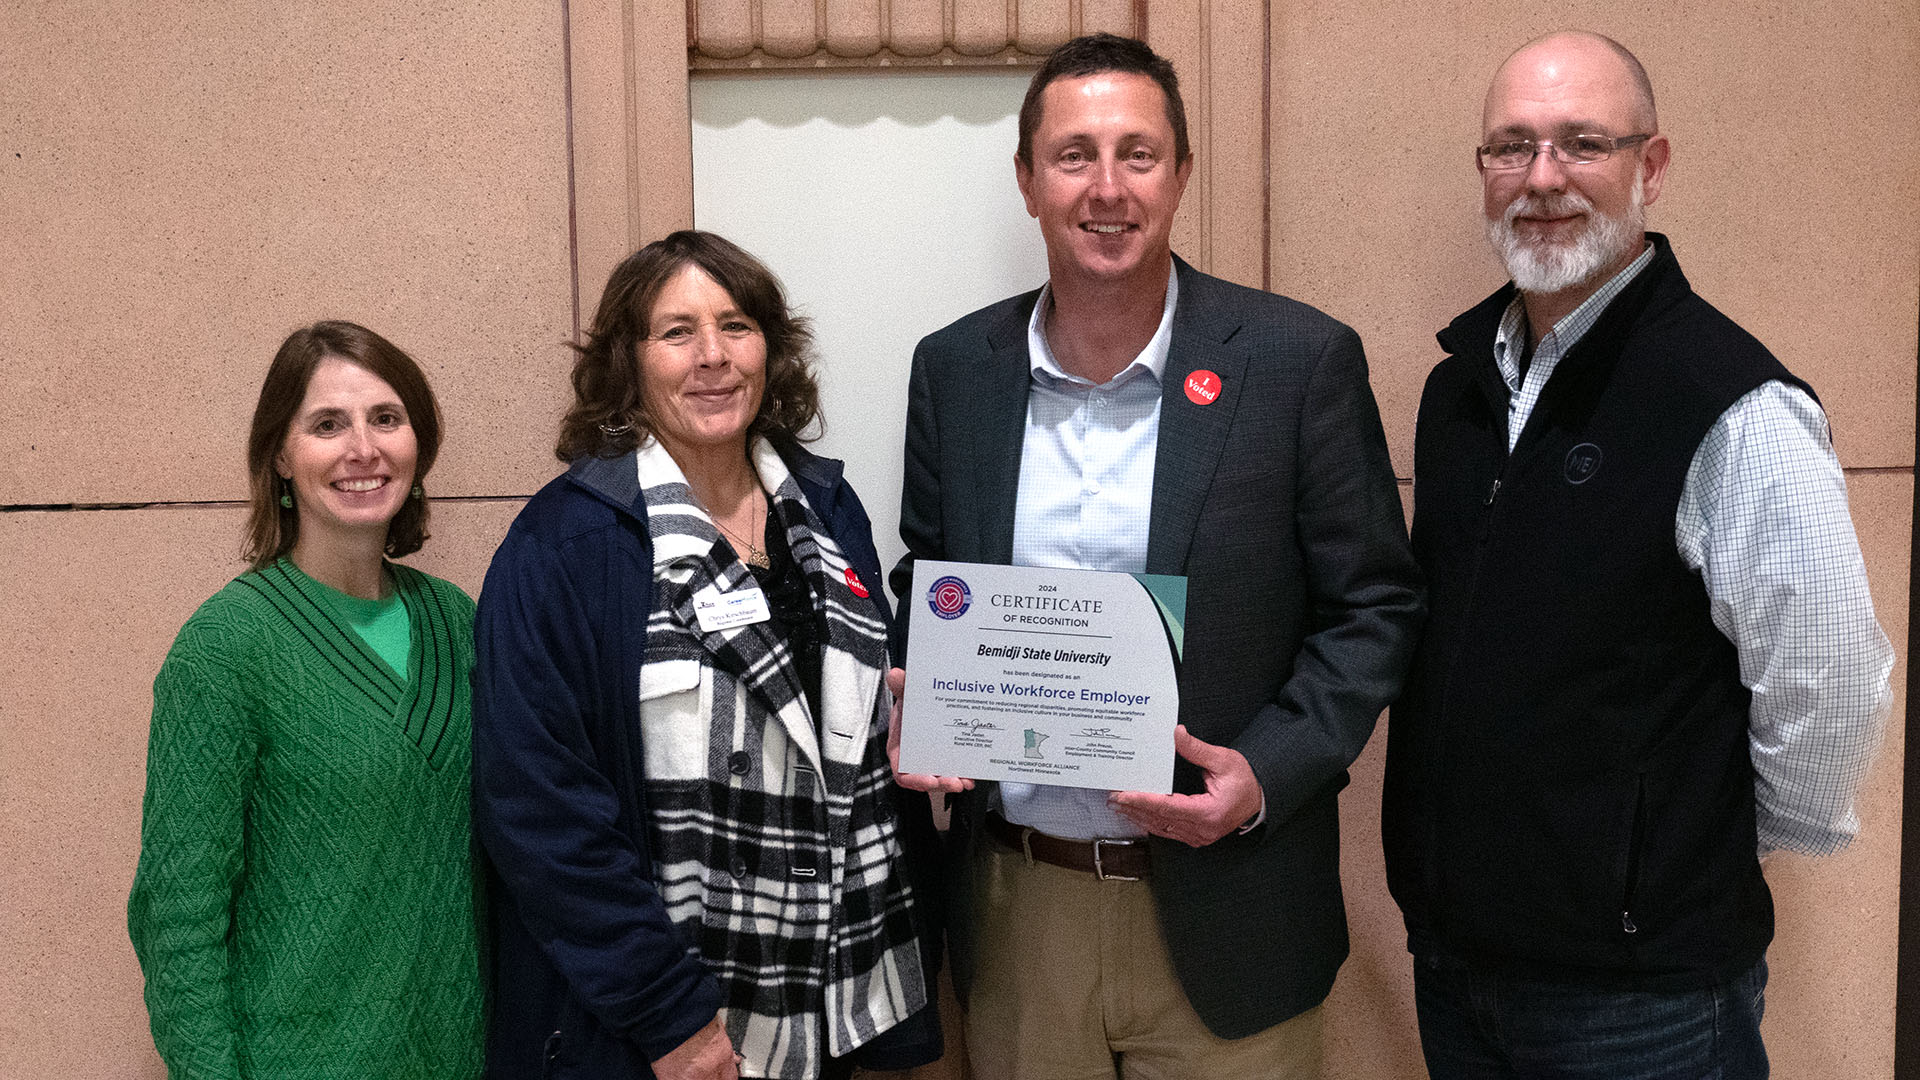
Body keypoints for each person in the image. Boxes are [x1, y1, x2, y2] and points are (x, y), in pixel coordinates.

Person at [886, 32, 1423, 1079]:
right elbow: (932, 576)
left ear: (1181, 173)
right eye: (1074, 154)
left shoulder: (1296, 362)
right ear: (1028, 181)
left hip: (1236, 901)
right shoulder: (956, 371)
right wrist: (922, 694)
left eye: (1138, 153)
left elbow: (1376, 607)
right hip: (1019, 902)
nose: (1107, 187)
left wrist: (1266, 771)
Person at [1383, 31, 1895, 1079]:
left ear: (1650, 167)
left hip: (1642, 1003)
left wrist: (1689, 855)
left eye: (1582, 144)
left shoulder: (1733, 404)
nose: (1542, 180)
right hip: (1457, 965)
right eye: (1511, 148)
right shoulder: (1458, 395)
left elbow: (1832, 683)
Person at [472, 230, 943, 1080]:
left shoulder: (828, 509)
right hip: (674, 1028)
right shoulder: (564, 545)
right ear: (631, 362)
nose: (713, 357)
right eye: (677, 332)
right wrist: (671, 1019)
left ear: (771, 347)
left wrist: (901, 719)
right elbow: (541, 815)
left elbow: (846, 713)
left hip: (841, 996)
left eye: (736, 325)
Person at [127, 321, 483, 1078]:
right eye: (328, 425)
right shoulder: (228, 646)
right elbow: (178, 917)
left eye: (386, 418)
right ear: (281, 456)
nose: (363, 448)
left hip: (459, 1055)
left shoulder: (460, 625)